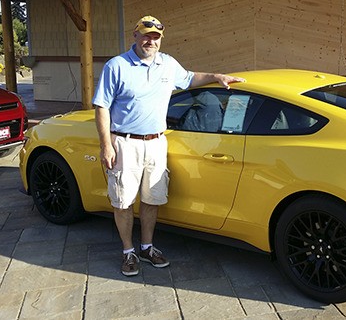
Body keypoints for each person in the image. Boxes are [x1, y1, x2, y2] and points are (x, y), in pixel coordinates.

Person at [92, 15, 245, 276]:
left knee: (153, 198)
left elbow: (190, 79)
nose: (150, 41)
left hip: (156, 143)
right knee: (123, 200)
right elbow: (101, 106)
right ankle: (128, 251)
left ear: (161, 40)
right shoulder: (116, 66)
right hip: (125, 144)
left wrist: (216, 76)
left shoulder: (168, 64)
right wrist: (106, 145)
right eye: (146, 35)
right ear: (135, 35)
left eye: (155, 37)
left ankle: (147, 247)